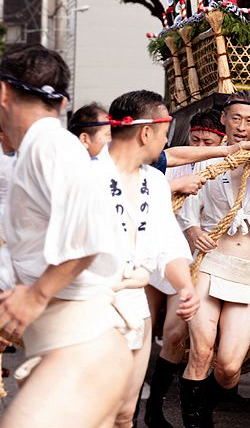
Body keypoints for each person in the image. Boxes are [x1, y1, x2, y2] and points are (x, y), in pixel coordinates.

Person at [0, 44, 133, 427]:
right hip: (74, 348)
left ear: (3, 92)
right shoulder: (38, 149)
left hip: (83, 345)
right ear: (61, 102)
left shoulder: (51, 145)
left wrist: (35, 296)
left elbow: (89, 234)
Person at [177, 91, 250, 428]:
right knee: (201, 353)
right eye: (236, 119)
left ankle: (204, 404)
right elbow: (189, 213)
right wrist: (193, 234)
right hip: (211, 261)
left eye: (249, 121)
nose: (242, 127)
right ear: (224, 120)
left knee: (229, 367)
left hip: (249, 269)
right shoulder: (210, 156)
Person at [97, 90, 200, 428]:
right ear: (145, 132)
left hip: (135, 305)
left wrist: (185, 287)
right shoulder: (87, 175)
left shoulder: (155, 181)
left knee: (125, 413)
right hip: (92, 304)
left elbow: (167, 245)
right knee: (95, 409)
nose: (166, 140)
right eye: (164, 132)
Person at [145, 108, 227, 428]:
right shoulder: (169, 167)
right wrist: (177, 187)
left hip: (199, 260)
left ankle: (176, 411)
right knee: (154, 330)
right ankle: (151, 408)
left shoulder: (225, 166)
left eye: (208, 141)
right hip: (163, 253)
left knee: (178, 335)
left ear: (220, 140)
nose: (201, 146)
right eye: (196, 140)